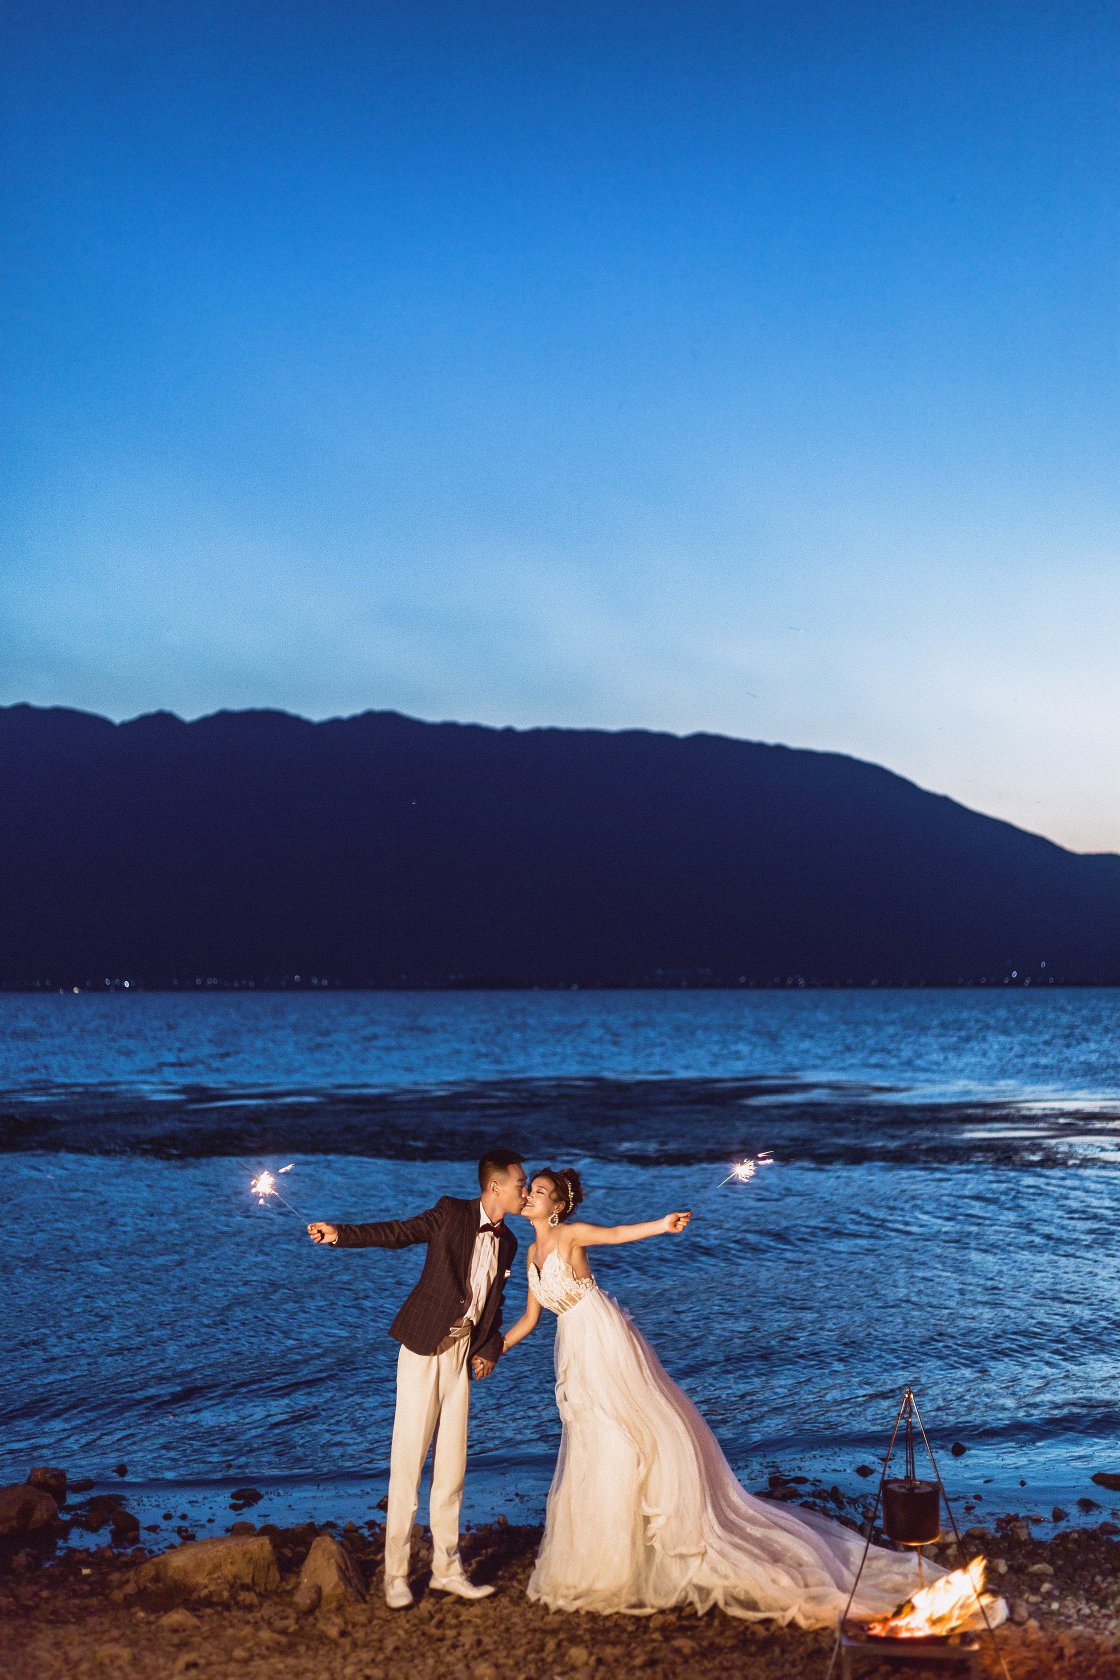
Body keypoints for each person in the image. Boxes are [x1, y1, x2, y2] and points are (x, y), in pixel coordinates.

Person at [501, 1168, 948, 1628]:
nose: (530, 1196)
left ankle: (649, 1543)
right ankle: (607, 1550)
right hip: (572, 1347)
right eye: (530, 1190)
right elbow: (531, 1318)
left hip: (602, 1338)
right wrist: (495, 1347)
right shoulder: (531, 1252)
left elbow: (615, 1234)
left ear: (557, 1207)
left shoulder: (571, 1234)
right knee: (593, 1435)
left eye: (540, 1192)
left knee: (625, 1428)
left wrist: (663, 1224)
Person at [307, 1147, 526, 1610]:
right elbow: (398, 1233)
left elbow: (494, 1301)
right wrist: (339, 1234)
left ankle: (448, 1571)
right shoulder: (451, 1213)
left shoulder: (508, 1241)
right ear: (495, 1187)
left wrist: (488, 1349)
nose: (524, 1192)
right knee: (408, 1464)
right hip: (423, 1348)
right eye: (520, 1185)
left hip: (461, 1356)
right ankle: (396, 1575)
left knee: (452, 1468)